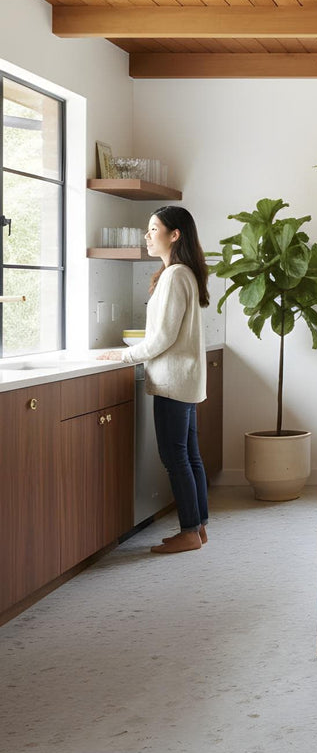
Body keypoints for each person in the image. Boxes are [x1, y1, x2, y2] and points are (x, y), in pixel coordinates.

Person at [99, 206, 210, 555]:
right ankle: (198, 528)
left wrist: (123, 355)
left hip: (173, 381)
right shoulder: (181, 273)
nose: (146, 236)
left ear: (174, 234)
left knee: (176, 457)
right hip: (183, 380)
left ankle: (190, 531)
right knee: (189, 456)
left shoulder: (175, 275)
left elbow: (161, 337)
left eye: (152, 229)